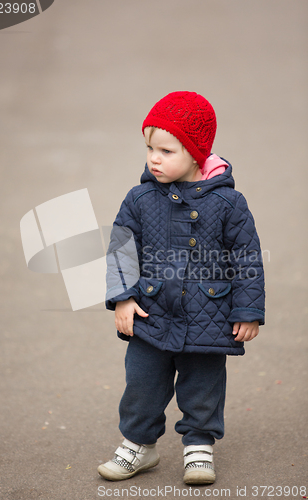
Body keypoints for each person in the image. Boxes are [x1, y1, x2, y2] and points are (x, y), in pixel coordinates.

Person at [98, 91, 265, 485]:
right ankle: (139, 444)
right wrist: (123, 297)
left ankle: (199, 445)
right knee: (141, 383)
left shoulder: (228, 203)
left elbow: (246, 258)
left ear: (195, 153)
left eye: (166, 150)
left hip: (210, 316)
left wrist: (247, 311)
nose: (154, 158)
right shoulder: (139, 199)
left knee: (203, 385)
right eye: (150, 148)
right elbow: (122, 250)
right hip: (151, 314)